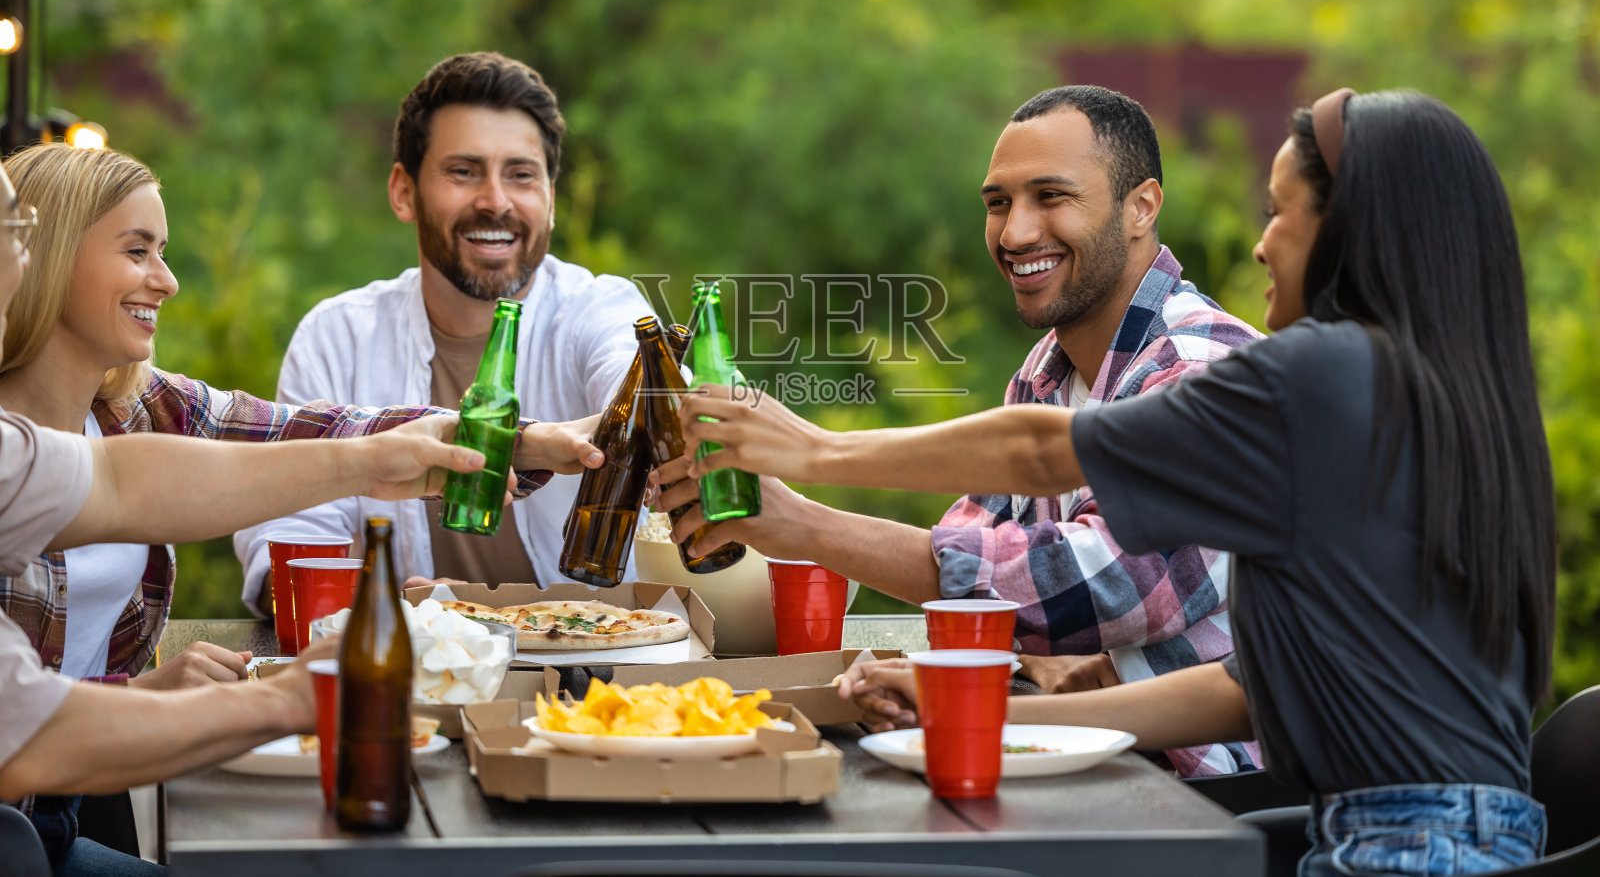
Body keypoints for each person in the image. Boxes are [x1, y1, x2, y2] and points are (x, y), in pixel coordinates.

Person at [678, 90, 1557, 875]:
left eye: (1280, 212)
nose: (1260, 242)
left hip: (1410, 847)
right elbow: (1242, 689)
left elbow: (1043, 458)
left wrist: (815, 451)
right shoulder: (1397, 393)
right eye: (998, 203)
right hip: (1406, 829)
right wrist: (978, 711)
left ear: (1356, 231)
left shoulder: (1314, 373)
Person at [0, 142, 603, 870]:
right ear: (44, 256)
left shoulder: (137, 407)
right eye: (137, 251)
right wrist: (287, 693)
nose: (167, 280)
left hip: (54, 814)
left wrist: (523, 443)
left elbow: (312, 433)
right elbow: (24, 726)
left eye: (163, 251)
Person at [657, 85, 1262, 776]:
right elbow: (975, 560)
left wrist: (802, 520)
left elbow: (1102, 587)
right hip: (1079, 756)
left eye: (1051, 196)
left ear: (1142, 207)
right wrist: (1017, 658)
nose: (1015, 234)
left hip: (1205, 790)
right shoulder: (1046, 370)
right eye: (998, 203)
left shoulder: (1201, 364)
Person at [236, 52, 652, 605]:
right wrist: (407, 609)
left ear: (551, 200)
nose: (495, 201)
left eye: (521, 175)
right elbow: (290, 544)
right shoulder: (336, 338)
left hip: (609, 653)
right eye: (463, 172)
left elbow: (650, 395)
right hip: (407, 654)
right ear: (403, 192)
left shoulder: (602, 310)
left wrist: (646, 424)